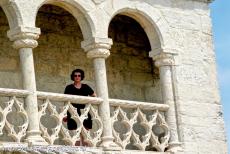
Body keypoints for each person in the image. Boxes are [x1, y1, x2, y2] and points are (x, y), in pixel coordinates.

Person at [64, 68, 96, 146]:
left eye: (79, 75)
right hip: (73, 112)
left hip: (85, 112)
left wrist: (89, 103)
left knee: (85, 136)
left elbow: (94, 96)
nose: (77, 77)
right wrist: (65, 114)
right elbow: (65, 101)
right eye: (75, 76)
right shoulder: (69, 88)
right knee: (76, 136)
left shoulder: (86, 87)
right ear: (73, 77)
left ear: (81, 77)